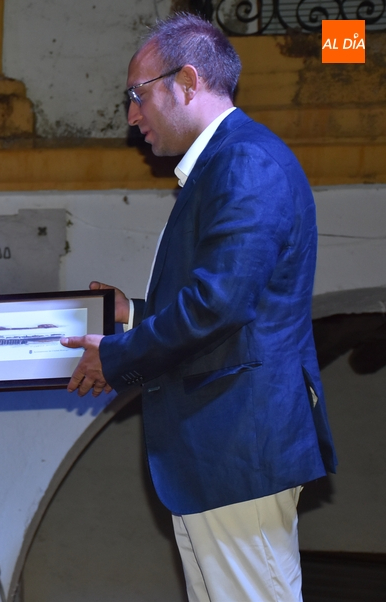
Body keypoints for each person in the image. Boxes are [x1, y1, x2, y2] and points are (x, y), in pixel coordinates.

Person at [61, 13, 337, 601]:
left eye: (137, 95)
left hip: (237, 444)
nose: (132, 116)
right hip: (220, 451)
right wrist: (131, 316)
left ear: (186, 81)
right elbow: (225, 300)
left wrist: (116, 357)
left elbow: (218, 305)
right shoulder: (225, 165)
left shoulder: (246, 163)